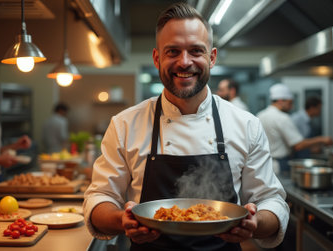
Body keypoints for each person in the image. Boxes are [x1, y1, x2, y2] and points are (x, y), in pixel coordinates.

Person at [84, 3, 289, 251]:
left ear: (211, 57)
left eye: (195, 51)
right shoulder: (125, 124)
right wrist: (120, 220)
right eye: (172, 52)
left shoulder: (246, 124)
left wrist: (256, 222)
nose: (184, 62)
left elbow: (271, 200)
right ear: (157, 58)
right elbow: (100, 197)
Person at [257, 84, 333, 174]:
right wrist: (322, 139)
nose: (292, 107)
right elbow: (298, 145)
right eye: (290, 103)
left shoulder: (260, 115)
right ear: (281, 101)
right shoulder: (282, 117)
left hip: (263, 165)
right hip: (280, 164)